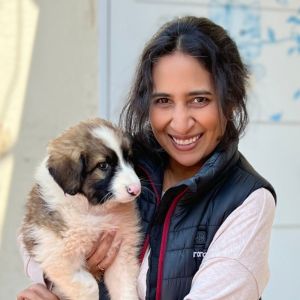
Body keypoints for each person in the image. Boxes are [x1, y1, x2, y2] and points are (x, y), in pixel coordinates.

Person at [17, 16, 276, 300]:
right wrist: (72, 272)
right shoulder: (125, 162)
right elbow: (33, 231)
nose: (180, 123)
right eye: (163, 101)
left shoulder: (247, 200)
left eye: (199, 100)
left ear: (231, 99)